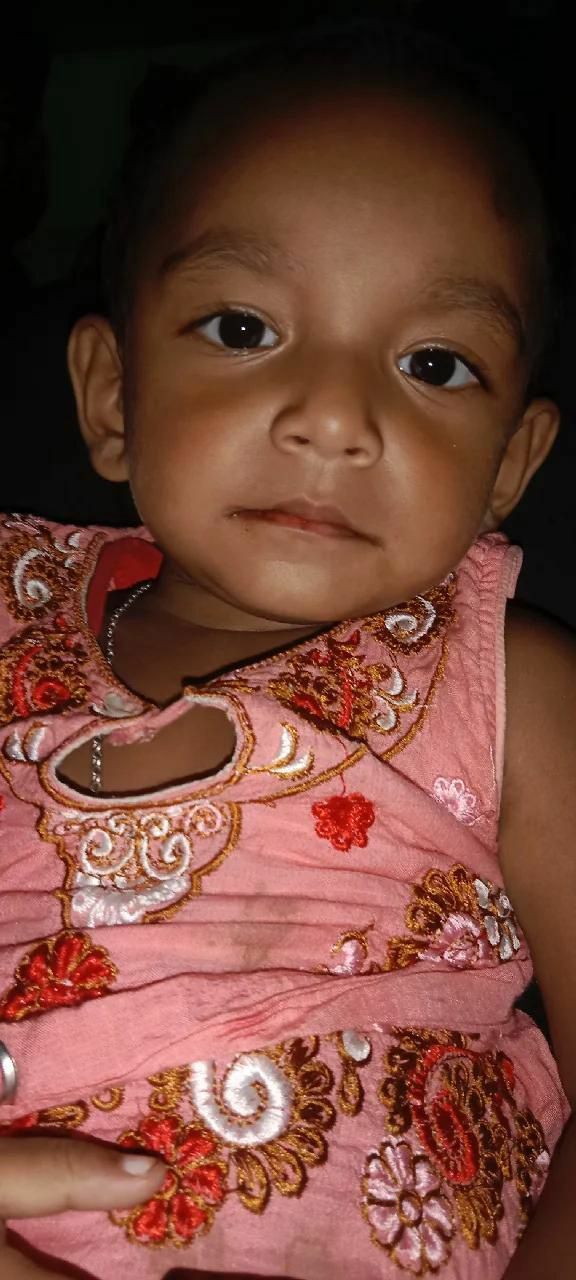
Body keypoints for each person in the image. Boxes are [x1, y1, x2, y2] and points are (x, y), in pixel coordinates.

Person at [0, 22, 573, 1280]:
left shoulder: (514, 691)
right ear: (110, 395)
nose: (333, 415)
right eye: (243, 328)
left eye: (433, 363)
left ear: (511, 465)